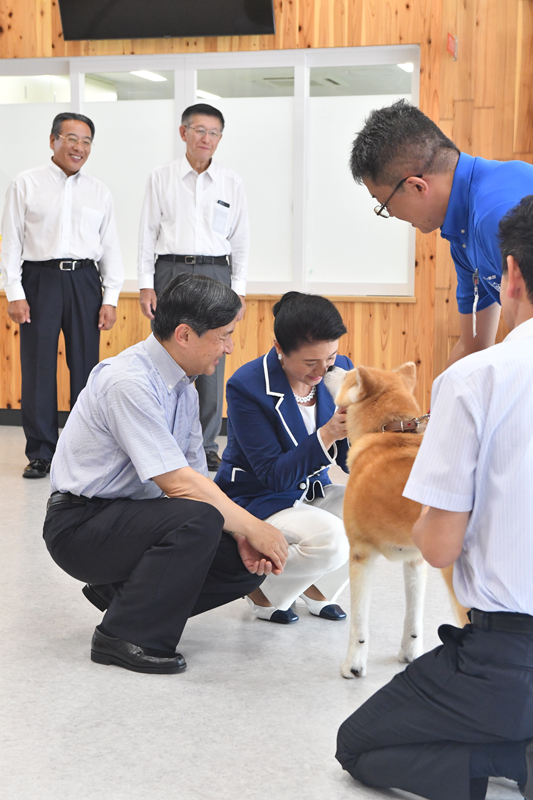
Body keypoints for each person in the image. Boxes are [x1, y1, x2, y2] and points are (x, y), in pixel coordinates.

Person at [336, 195, 533, 800]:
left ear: (513, 274)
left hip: (510, 659)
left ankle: (512, 759)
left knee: (359, 743)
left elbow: (440, 547)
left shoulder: (476, 379)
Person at [42, 273, 288, 675]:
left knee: (241, 564)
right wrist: (252, 526)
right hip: (79, 525)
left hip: (131, 519)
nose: (228, 347)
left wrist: (242, 536)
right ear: (185, 334)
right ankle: (123, 635)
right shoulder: (128, 382)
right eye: (223, 336)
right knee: (202, 521)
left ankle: (124, 597)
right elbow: (177, 484)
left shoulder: (183, 389)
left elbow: (194, 480)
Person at [350, 99, 533, 367]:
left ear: (416, 187)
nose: (391, 214)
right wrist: (437, 404)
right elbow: (474, 344)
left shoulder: (495, 213)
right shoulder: (461, 232)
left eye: (384, 203)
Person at [215, 292, 351, 624]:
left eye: (330, 357)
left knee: (374, 510)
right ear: (279, 348)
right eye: (310, 363)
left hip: (312, 491)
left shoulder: (339, 369)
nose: (323, 370)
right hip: (261, 497)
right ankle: (264, 591)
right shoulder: (247, 386)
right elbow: (274, 475)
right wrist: (328, 434)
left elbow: (348, 458)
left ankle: (310, 583)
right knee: (332, 541)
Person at [1, 112, 123, 479]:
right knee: (38, 368)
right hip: (39, 280)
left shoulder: (99, 190)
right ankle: (41, 452)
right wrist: (14, 292)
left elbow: (110, 246)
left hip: (85, 280)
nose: (79, 147)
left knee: (86, 369)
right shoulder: (25, 184)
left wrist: (111, 296)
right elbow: (11, 243)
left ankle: (84, 449)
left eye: (86, 141)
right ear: (53, 140)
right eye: (71, 138)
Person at [137, 102, 248, 473]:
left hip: (217, 272)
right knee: (168, 351)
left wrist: (240, 288)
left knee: (212, 356)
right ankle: (165, 437)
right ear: (183, 133)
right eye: (199, 130)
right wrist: (145, 284)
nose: (206, 138)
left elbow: (241, 241)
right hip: (171, 271)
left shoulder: (232, 182)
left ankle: (207, 441)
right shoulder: (161, 176)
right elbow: (146, 234)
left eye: (214, 132)